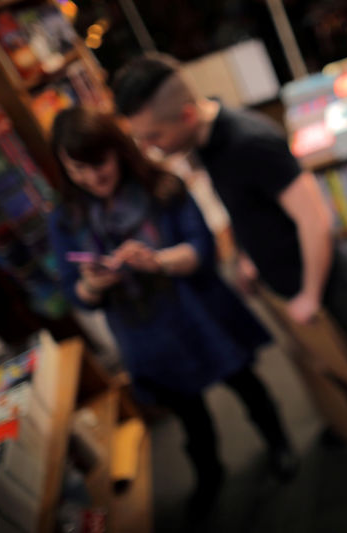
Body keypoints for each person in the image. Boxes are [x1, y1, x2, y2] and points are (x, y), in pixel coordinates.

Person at [111, 54, 347, 474]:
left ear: (187, 115)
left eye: (154, 135)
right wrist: (248, 257)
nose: (149, 146)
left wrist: (309, 294)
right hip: (280, 278)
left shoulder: (249, 141)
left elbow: (314, 220)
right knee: (323, 370)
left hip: (314, 281)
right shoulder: (203, 141)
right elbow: (251, 207)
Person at [46, 108, 298, 513]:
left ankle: (279, 443)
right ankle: (209, 473)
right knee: (189, 416)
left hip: (200, 313)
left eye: (100, 164)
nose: (93, 178)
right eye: (78, 169)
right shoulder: (66, 219)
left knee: (246, 386)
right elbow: (75, 296)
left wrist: (157, 261)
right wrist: (93, 283)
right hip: (146, 332)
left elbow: (204, 249)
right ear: (63, 166)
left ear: (118, 150)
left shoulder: (161, 185)